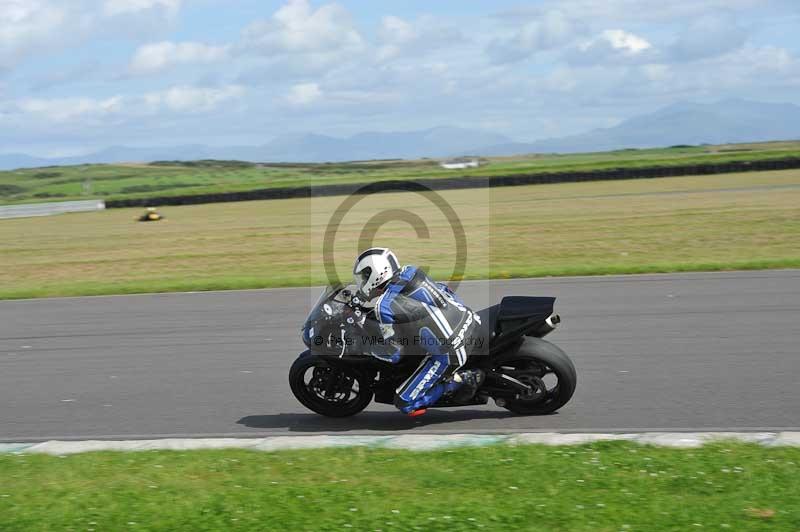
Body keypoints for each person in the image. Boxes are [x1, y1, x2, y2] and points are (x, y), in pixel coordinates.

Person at [352, 247, 484, 416]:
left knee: (405, 403)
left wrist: (367, 348)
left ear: (376, 274)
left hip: (451, 351)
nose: (362, 282)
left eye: (364, 277)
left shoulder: (384, 306)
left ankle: (461, 380)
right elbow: (443, 290)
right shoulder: (410, 272)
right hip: (468, 318)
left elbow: (394, 354)